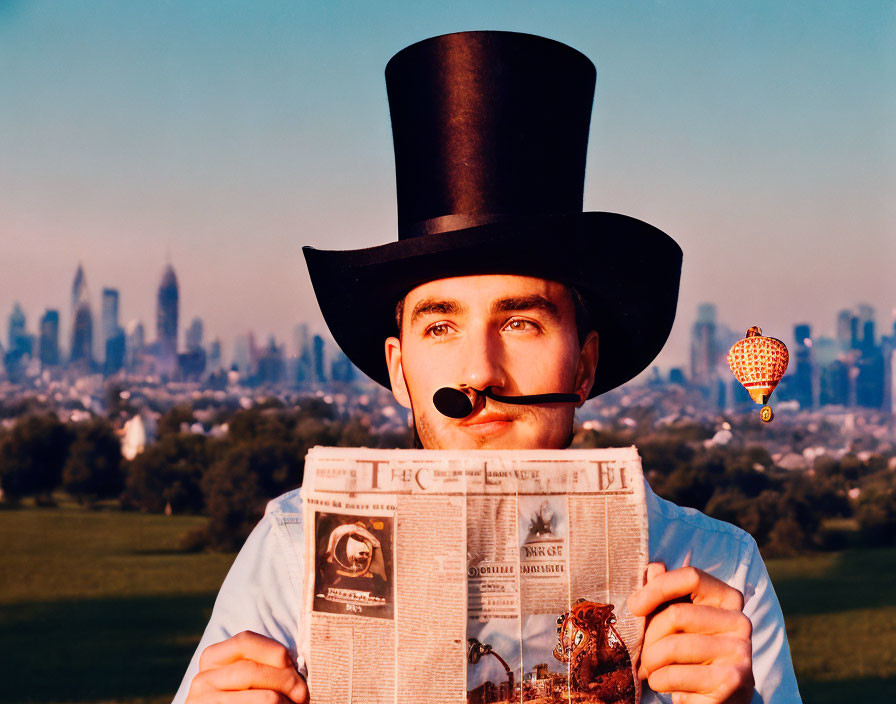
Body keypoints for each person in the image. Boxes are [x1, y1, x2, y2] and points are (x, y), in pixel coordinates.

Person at [175, 31, 801, 704]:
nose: (480, 372)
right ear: (399, 367)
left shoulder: (718, 567)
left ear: (584, 365)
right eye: (440, 326)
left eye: (521, 322)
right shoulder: (290, 552)